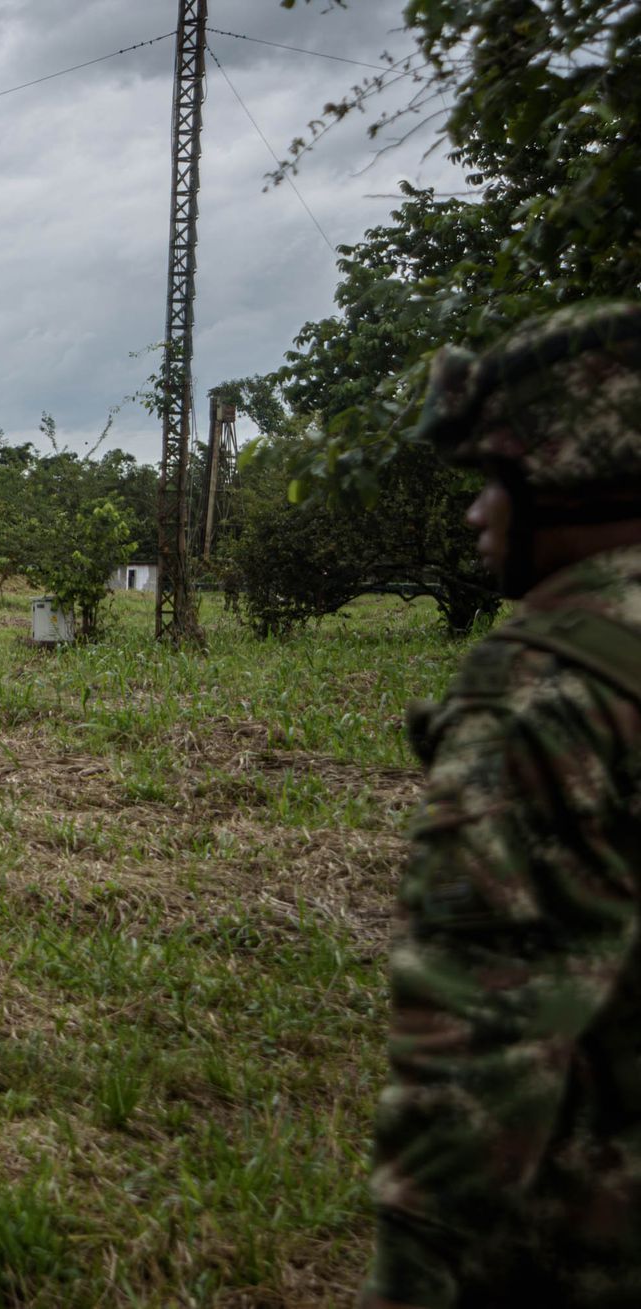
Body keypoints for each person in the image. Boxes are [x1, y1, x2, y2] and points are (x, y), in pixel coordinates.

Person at [363, 301, 641, 1308]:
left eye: (496, 480)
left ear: (572, 476)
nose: (479, 513)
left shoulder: (542, 685)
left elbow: (482, 1043)